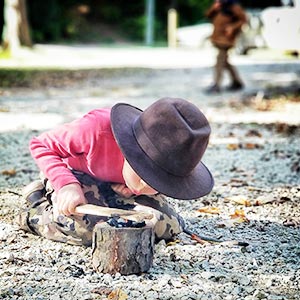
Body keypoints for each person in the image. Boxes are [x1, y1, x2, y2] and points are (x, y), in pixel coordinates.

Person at [19, 97, 214, 246]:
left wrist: (135, 188)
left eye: (158, 180)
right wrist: (67, 186)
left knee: (166, 225)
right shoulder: (95, 130)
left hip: (110, 183)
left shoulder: (169, 155)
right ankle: (36, 205)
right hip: (71, 177)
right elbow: (41, 144)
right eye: (144, 172)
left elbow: (146, 187)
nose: (146, 186)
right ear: (130, 149)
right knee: (90, 227)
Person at [205, 0, 247, 93]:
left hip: (226, 39)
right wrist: (214, 8)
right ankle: (237, 82)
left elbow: (243, 20)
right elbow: (208, 15)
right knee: (225, 62)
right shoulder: (220, 5)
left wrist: (232, 27)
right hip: (217, 37)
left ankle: (216, 84)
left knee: (219, 61)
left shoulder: (234, 6)